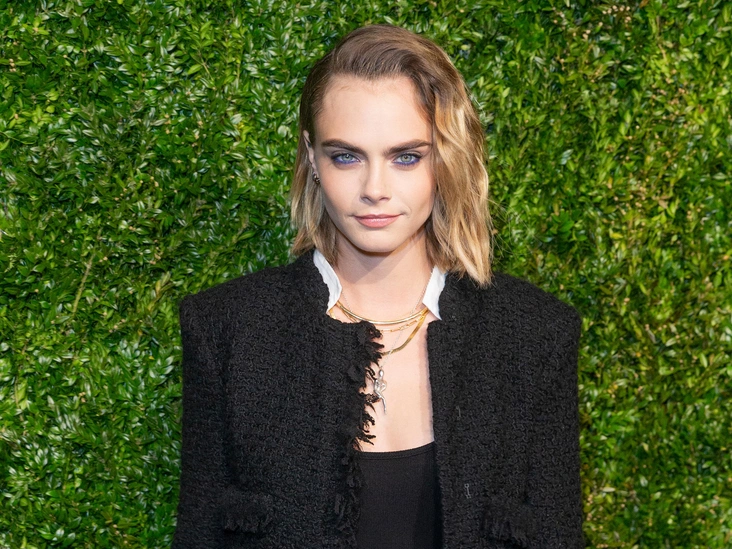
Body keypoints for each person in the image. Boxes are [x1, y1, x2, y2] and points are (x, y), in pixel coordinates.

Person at [172, 24, 583, 549]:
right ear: (312, 158)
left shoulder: (534, 334)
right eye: (346, 156)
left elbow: (557, 533)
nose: (374, 189)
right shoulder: (227, 329)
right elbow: (199, 531)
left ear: (446, 158)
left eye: (406, 156)